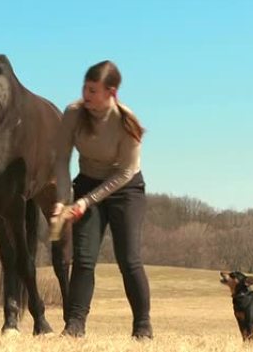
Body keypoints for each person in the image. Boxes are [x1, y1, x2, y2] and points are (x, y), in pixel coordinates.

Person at [52, 60, 152, 339]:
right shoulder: (73, 113)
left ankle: (142, 327)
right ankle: (74, 326)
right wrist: (63, 200)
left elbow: (125, 173)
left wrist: (86, 202)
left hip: (126, 190)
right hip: (87, 183)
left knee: (128, 259)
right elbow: (61, 159)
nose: (86, 94)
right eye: (84, 87)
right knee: (83, 258)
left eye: (92, 90)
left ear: (111, 92)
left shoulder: (127, 123)